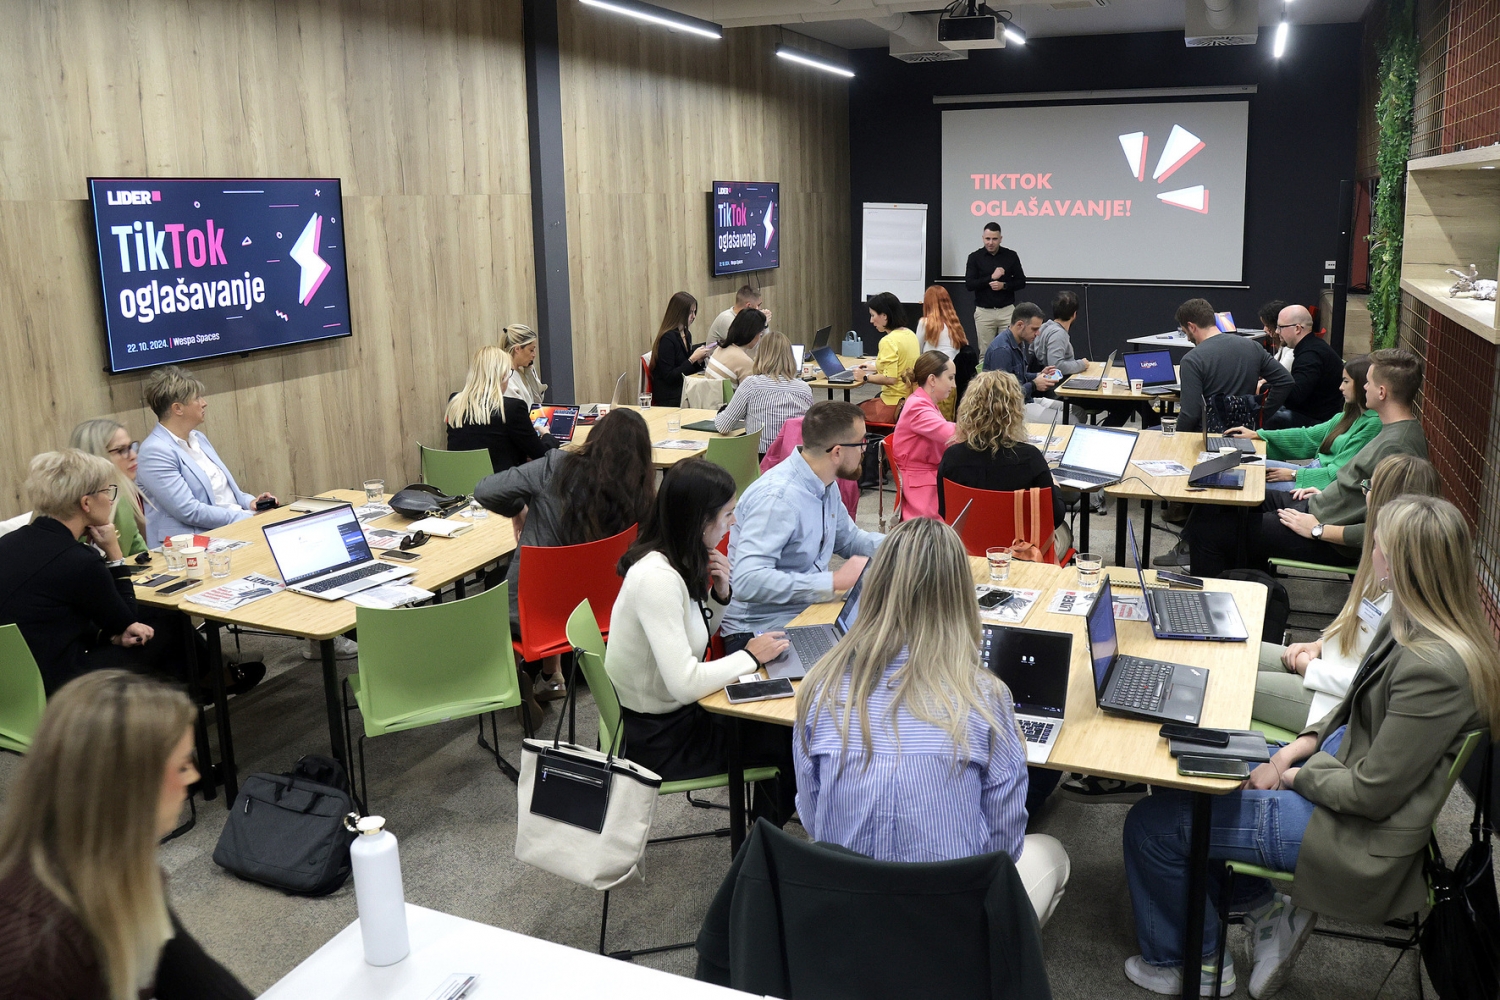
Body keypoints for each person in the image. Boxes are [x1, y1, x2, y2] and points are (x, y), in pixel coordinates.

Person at [1122, 495, 1498, 999]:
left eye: (1379, 545)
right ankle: (1260, 907)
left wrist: (1291, 776)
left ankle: (1195, 964)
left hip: (1351, 828)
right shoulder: (1412, 623)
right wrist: (1286, 754)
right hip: (1335, 776)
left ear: (1402, 564)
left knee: (1149, 828)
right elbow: (1347, 710)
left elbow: (1370, 794)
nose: (1372, 552)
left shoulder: (1434, 667)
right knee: (1186, 763)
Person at [793, 516, 1071, 926]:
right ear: (961, 596)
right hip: (950, 926)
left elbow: (815, 819)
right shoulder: (986, 697)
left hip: (845, 919)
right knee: (1054, 854)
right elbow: (1003, 849)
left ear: (875, 587)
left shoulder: (820, 689)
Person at [0, 670, 253, 1000]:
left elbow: (193, 977)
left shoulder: (117, 871)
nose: (194, 776)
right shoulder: (33, 957)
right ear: (128, 788)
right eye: (181, 766)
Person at [607, 458, 795, 819]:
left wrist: (719, 597)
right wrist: (751, 657)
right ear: (700, 520)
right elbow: (685, 683)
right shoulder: (657, 579)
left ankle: (763, 834)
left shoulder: (677, 558)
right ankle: (763, 844)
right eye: (727, 514)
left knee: (777, 725)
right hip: (659, 740)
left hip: (673, 716)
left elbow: (691, 638)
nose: (733, 522)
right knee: (788, 742)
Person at [1185, 348, 1428, 578]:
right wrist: (1327, 493)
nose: (1364, 387)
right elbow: (1353, 484)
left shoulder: (1398, 447)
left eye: (1369, 383)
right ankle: (1249, 586)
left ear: (1382, 392)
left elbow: (1389, 527)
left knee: (1208, 533)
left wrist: (1318, 530)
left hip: (1329, 535)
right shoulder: (1390, 431)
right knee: (1228, 501)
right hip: (1320, 507)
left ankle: (1215, 600)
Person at [475, 409, 655, 707]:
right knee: (565, 567)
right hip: (601, 614)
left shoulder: (556, 467)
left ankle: (513, 676)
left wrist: (519, 507)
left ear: (595, 438)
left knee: (514, 575)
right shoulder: (643, 497)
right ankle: (551, 674)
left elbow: (484, 490)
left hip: (534, 615)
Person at [1254, 455, 1440, 732]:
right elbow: (1353, 626)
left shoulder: (1410, 602)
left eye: (1369, 486)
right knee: (1236, 653)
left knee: (1230, 679)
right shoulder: (1383, 565)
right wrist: (1318, 645)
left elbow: (1374, 686)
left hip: (1337, 705)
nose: (1363, 492)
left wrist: (1310, 668)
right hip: (1326, 668)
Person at [721, 401, 884, 647]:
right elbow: (747, 581)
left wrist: (905, 545)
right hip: (759, 632)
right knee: (871, 656)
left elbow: (848, 540)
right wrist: (831, 582)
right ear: (837, 452)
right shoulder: (778, 499)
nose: (864, 450)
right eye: (861, 442)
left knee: (889, 636)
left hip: (804, 613)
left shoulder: (825, 482)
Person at [0, 451, 157, 694]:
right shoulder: (79, 560)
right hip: (54, 684)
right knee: (159, 635)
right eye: (107, 491)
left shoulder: (7, 542)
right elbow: (126, 622)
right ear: (86, 503)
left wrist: (108, 636)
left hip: (11, 682)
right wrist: (114, 553)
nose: (111, 500)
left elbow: (47, 617)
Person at [135, 366, 276, 546]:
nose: (204, 403)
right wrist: (247, 518)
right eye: (197, 398)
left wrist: (252, 504)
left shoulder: (198, 438)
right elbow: (189, 511)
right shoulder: (154, 452)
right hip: (190, 545)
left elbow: (227, 492)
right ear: (178, 408)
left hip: (231, 527)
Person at [936, 370, 1070, 555]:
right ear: (1015, 411)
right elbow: (1055, 518)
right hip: (1021, 553)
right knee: (1065, 533)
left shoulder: (952, 457)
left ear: (969, 408)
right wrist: (1055, 487)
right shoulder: (1030, 458)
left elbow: (946, 513)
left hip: (968, 551)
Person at [1227, 356, 1378, 493]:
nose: (1341, 387)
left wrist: (1295, 474)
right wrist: (1258, 435)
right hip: (1312, 472)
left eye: (1346, 381)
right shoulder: (1348, 415)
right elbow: (1308, 436)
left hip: (1319, 483)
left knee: (1249, 481)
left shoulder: (1372, 424)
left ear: (1362, 384)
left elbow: (1339, 472)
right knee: (1240, 466)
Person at [1174, 298, 1293, 433]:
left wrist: (1176, 438)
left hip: (1207, 437)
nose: (1188, 338)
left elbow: (1190, 414)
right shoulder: (1253, 347)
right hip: (1246, 433)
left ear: (1192, 326)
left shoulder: (1191, 360)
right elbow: (1285, 381)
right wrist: (1260, 414)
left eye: (1186, 332)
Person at [446, 345, 559, 475]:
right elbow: (542, 455)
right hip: (500, 484)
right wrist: (547, 435)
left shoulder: (455, 402)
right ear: (502, 376)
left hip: (457, 482)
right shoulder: (512, 408)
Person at [714, 330, 812, 453]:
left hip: (760, 460)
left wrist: (721, 413)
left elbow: (723, 426)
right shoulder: (804, 389)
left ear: (760, 355)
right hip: (794, 459)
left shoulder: (751, 384)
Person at [890, 351, 957, 520]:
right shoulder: (917, 406)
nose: (954, 385)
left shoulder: (923, 402)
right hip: (921, 488)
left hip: (925, 480)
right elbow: (950, 433)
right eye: (950, 378)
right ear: (932, 379)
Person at [69, 418, 147, 557]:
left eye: (131, 447)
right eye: (121, 450)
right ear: (95, 456)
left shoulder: (122, 496)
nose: (133, 456)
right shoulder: (68, 511)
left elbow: (140, 554)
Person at [1261, 305, 1345, 429]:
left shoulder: (1310, 355)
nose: (1277, 331)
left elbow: (1295, 397)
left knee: (1263, 417)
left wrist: (1264, 388)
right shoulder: (1313, 347)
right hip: (1318, 414)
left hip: (1319, 422)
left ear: (1297, 329)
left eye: (1280, 327)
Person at [854, 292, 920, 425]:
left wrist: (865, 377)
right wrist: (876, 367)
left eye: (873, 315)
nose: (871, 321)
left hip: (893, 404)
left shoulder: (888, 341)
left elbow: (890, 379)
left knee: (848, 415)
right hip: (909, 400)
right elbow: (901, 365)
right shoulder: (910, 334)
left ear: (884, 316)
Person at [915, 284, 978, 418]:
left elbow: (917, 352)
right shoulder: (955, 326)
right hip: (951, 381)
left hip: (932, 381)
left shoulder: (925, 323)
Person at [964, 222, 1027, 352]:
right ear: (983, 238)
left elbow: (1021, 281)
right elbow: (970, 284)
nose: (990, 243)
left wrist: (1004, 285)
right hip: (984, 312)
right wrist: (991, 278)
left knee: (1010, 350)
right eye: (987, 239)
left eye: (994, 239)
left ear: (1000, 239)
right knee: (985, 352)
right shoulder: (975, 257)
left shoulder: (1011, 256)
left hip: (1006, 311)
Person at [982, 303, 1059, 403]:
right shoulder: (1002, 351)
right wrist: (1034, 385)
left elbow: (1018, 376)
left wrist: (1039, 375)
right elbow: (1002, 395)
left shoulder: (1018, 342)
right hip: (1014, 408)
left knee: (1073, 410)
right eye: (1034, 329)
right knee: (1068, 412)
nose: (1038, 333)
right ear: (1019, 325)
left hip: (1024, 401)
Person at [649, 291, 712, 407]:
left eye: (694, 312)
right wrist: (692, 359)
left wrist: (698, 361)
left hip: (683, 388)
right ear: (679, 313)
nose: (694, 316)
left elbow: (685, 368)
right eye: (690, 312)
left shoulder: (687, 334)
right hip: (670, 396)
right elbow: (670, 377)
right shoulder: (667, 339)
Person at [1028, 291, 1089, 378]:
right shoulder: (1058, 334)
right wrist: (1082, 364)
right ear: (1074, 314)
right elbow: (1057, 366)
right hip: (1055, 382)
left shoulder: (1044, 326)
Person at [704, 307, 765, 385]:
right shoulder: (745, 362)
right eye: (760, 334)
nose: (760, 338)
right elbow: (750, 391)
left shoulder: (719, 349)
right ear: (752, 333)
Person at [500, 323, 548, 407]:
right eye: (531, 350)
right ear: (517, 349)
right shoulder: (507, 378)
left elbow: (537, 402)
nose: (534, 354)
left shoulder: (522, 372)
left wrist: (530, 372)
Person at [1259, 300, 1294, 370]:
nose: (1264, 329)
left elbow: (1278, 372)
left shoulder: (1291, 351)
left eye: (1267, 325)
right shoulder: (1283, 348)